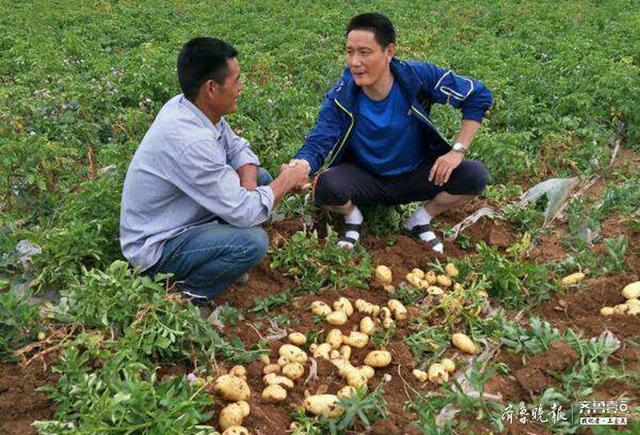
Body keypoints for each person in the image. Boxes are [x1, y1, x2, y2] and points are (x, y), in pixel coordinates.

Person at [120, 37, 308, 304]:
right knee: (252, 243)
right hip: (160, 245)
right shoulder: (190, 140)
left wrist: (251, 191)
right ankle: (187, 294)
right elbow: (246, 213)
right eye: (236, 81)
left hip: (184, 213)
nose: (241, 88)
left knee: (261, 179)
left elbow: (237, 148)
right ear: (211, 88)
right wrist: (287, 180)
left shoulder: (191, 106)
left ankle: (220, 243)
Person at [291, 12, 492, 253]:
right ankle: (353, 219)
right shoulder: (342, 96)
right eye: (349, 51)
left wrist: (457, 151)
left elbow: (477, 96)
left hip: (418, 173)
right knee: (326, 185)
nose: (354, 62)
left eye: (364, 52)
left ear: (389, 52)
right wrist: (300, 165)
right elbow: (320, 139)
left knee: (474, 175)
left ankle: (421, 219)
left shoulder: (416, 77)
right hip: (366, 177)